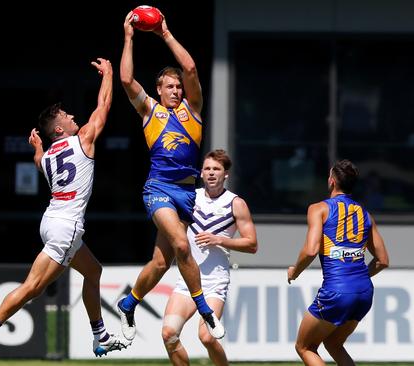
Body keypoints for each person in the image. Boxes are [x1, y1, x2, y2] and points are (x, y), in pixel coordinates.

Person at [0, 58, 130, 365]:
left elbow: (40, 162)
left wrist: (37, 148)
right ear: (60, 128)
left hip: (53, 221)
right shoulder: (82, 140)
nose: (73, 117)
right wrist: (109, 74)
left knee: (93, 271)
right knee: (33, 287)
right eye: (67, 116)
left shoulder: (49, 156)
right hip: (66, 225)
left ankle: (100, 335)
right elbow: (105, 104)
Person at [117, 10, 225, 341]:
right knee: (181, 244)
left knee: (161, 263)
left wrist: (165, 34)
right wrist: (129, 38)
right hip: (158, 189)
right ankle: (205, 311)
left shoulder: (193, 110)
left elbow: (190, 67)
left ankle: (128, 302)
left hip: (187, 193)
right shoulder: (150, 111)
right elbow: (125, 79)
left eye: (179, 86)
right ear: (159, 90)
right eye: (170, 86)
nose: (176, 90)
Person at [287, 159, 390, 366]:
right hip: (363, 292)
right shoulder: (364, 213)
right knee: (334, 344)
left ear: (332, 181)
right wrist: (356, 278)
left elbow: (311, 250)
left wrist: (294, 271)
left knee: (305, 347)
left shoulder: (319, 209)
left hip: (337, 292)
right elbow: (382, 261)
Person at [161, 150, 257, 366]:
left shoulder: (235, 203)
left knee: (206, 336)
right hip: (187, 281)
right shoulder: (188, 198)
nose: (212, 173)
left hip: (215, 282)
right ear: (201, 174)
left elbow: (252, 244)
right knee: (169, 334)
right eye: (207, 169)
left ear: (226, 175)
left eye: (217, 169)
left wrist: (219, 240)